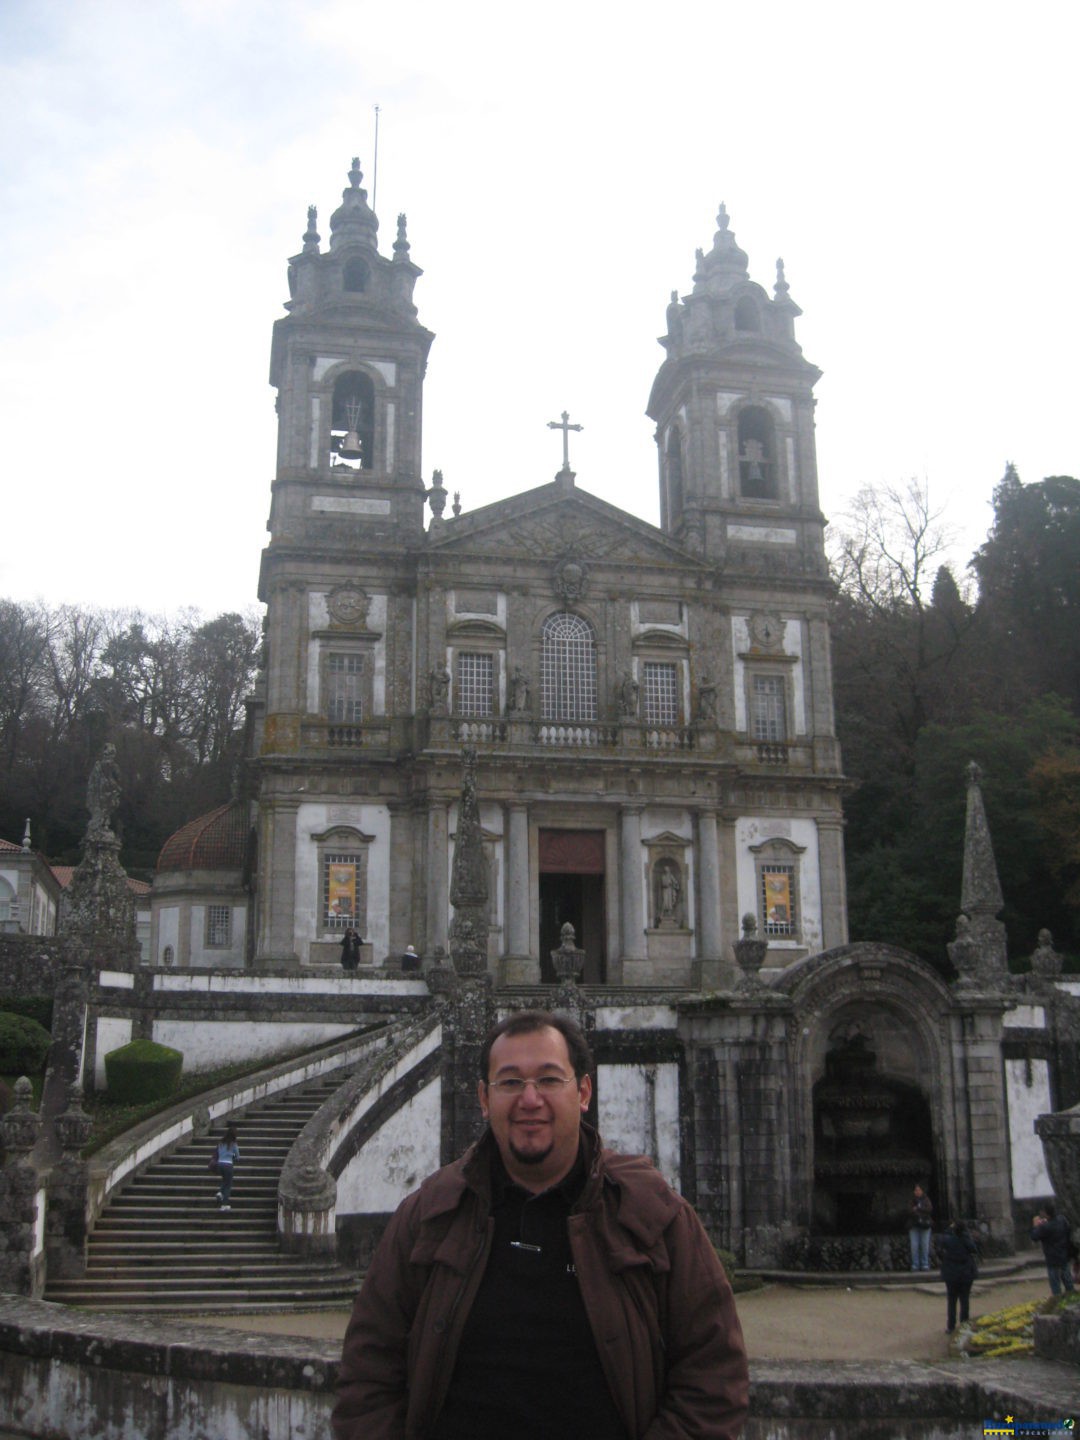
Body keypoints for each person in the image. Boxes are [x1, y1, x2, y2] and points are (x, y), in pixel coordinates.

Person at [333, 1009, 748, 1440]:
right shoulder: (429, 1216)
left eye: (549, 1080)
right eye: (510, 1082)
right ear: (483, 1097)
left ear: (583, 1091)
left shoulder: (654, 1215)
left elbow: (713, 1377)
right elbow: (368, 1372)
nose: (530, 1100)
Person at [939, 1220, 978, 1332]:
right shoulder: (966, 1240)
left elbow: (943, 1239)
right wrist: (966, 1234)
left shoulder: (949, 1240)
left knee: (952, 1300)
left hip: (951, 1273)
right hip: (965, 1273)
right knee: (964, 1300)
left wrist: (950, 1228)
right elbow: (974, 1249)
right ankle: (964, 1324)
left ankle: (951, 1326)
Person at [1030, 1202, 1076, 1296]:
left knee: (1055, 1286)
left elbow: (1034, 1237)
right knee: (1068, 1282)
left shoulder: (1045, 1227)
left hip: (1052, 1258)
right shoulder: (1062, 1220)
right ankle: (1072, 1298)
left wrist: (1035, 1226)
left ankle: (1057, 1302)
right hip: (1064, 1255)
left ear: (1046, 1213)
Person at [212, 1124, 239, 1212]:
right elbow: (237, 1156)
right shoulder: (233, 1144)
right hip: (228, 1165)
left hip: (219, 1164)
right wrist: (233, 1155)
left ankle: (220, 1192)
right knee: (228, 1185)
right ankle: (224, 1205)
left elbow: (218, 1154)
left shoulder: (220, 1143)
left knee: (225, 1180)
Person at [909, 1183, 933, 1271]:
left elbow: (929, 1209)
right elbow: (910, 1211)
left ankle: (924, 1264)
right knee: (914, 1246)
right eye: (916, 1190)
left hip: (925, 1225)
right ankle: (915, 1264)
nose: (917, 1192)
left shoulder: (926, 1200)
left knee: (924, 1245)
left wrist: (918, 1209)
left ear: (922, 1191)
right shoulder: (912, 1201)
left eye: (919, 1190)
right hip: (914, 1226)